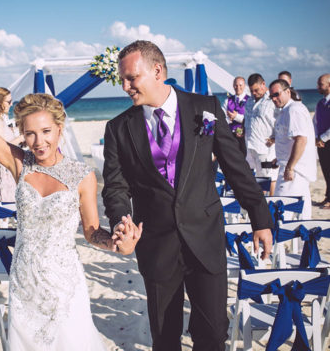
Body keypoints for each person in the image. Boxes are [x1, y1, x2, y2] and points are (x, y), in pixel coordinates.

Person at [0, 36, 141, 350]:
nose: (39, 141)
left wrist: (116, 245)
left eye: (46, 131)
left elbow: (90, 232)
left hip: (65, 285)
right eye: (30, 133)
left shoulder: (82, 176)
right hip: (24, 284)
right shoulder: (19, 164)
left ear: (60, 129)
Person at [103, 40, 273, 350]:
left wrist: (260, 218)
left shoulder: (204, 108)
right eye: (123, 79)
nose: (126, 86)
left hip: (205, 239)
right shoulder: (118, 128)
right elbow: (115, 186)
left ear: (158, 70)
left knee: (212, 335)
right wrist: (120, 222)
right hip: (156, 244)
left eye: (131, 78)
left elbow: (236, 168)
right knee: (165, 338)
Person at [269, 79, 316, 219]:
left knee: (280, 212)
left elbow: (301, 140)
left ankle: (280, 241)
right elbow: (289, 140)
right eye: (271, 96)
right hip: (291, 167)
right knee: (301, 214)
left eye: (277, 94)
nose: (274, 99)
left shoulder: (294, 110)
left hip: (294, 171)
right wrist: (281, 157)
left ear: (288, 91)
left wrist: (290, 167)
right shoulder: (286, 110)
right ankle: (303, 240)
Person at [0, 87, 24, 225]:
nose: (11, 104)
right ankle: (0, 240)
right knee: (3, 208)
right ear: (0, 102)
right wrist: (20, 138)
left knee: (8, 206)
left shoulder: (0, 119)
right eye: (9, 101)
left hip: (6, 166)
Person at [244, 73, 279, 195]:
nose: (254, 93)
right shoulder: (249, 100)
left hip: (265, 148)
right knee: (256, 178)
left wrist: (275, 137)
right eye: (251, 90)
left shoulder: (272, 101)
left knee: (268, 178)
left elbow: (279, 122)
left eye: (256, 90)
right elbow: (248, 120)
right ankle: (261, 204)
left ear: (263, 84)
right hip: (250, 146)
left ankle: (270, 206)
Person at [222, 76, 249, 156]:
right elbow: (222, 116)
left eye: (240, 85)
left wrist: (236, 117)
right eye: (236, 85)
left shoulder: (250, 101)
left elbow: (250, 119)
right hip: (230, 134)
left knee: (244, 158)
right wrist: (228, 119)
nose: (238, 87)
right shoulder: (227, 100)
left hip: (244, 135)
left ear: (244, 86)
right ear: (233, 86)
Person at [314, 73, 330, 209]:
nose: (318, 86)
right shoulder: (320, 103)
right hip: (321, 142)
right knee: (325, 170)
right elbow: (316, 121)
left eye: (320, 84)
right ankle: (327, 196)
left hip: (327, 140)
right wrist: (316, 137)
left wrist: (323, 138)